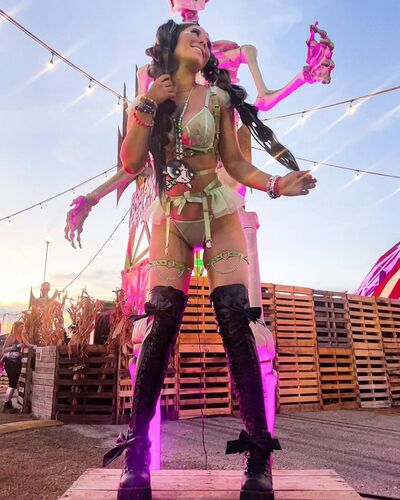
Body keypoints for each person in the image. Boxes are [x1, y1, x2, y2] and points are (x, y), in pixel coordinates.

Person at [101, 20, 317, 500]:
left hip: (218, 210)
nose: (201, 39)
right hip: (171, 218)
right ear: (170, 46)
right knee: (160, 324)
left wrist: (276, 184)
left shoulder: (218, 99)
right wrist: (146, 103)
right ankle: (137, 458)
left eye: (203, 36)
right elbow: (132, 163)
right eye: (191, 34)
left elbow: (234, 163)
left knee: (237, 320)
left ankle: (258, 459)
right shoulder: (152, 98)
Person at [0, 320, 35, 413]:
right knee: (12, 382)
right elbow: (4, 349)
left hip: (17, 362)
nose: (22, 328)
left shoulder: (21, 336)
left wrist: (36, 347)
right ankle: (6, 404)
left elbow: (28, 345)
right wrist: (17, 346)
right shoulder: (11, 336)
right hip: (10, 361)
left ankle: (8, 403)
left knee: (14, 382)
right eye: (21, 327)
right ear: (16, 327)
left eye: (23, 327)